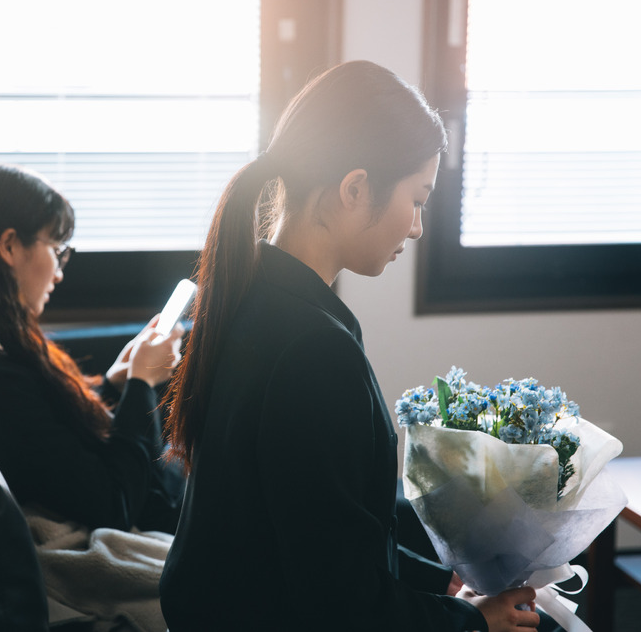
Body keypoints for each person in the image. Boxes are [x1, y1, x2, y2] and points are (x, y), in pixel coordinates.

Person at [159, 61, 542, 631]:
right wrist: (475, 622)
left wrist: (437, 580)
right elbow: (342, 603)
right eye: (416, 199)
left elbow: (316, 529)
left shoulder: (248, 298)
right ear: (355, 188)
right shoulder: (313, 352)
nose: (416, 227)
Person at [0, 163, 185, 534]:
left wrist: (115, 384)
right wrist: (143, 385)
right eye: (57, 250)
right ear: (10, 245)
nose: (60, 273)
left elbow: (56, 437)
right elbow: (113, 504)